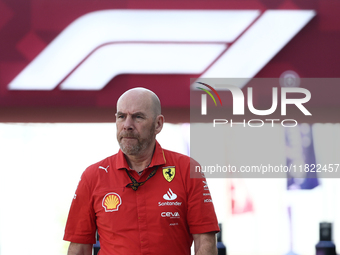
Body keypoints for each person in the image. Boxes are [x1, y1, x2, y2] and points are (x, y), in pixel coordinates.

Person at [63, 87, 220, 255]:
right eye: (121, 116)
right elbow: (79, 247)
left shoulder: (187, 169)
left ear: (158, 124)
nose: (127, 125)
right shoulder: (93, 176)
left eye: (138, 117)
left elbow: (205, 242)